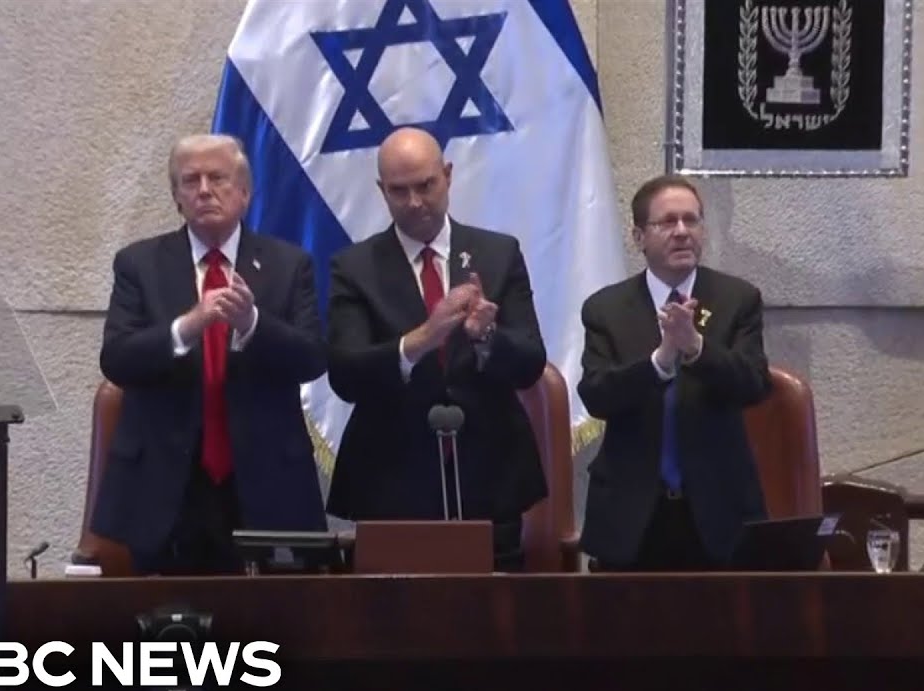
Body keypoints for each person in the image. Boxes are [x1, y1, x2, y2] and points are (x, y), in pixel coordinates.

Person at [91, 134, 328, 575]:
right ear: (176, 198)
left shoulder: (289, 264)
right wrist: (187, 326)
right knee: (169, 616)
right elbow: (117, 358)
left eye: (217, 178)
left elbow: (312, 357)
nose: (204, 191)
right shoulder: (139, 264)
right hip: (166, 488)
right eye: (190, 181)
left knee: (271, 615)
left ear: (245, 192)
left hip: (263, 483)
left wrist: (252, 323)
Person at [325, 127, 547, 572]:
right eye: (399, 191)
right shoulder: (355, 266)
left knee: (494, 607)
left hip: (490, 472)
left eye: (425, 185)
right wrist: (422, 338)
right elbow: (345, 374)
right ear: (381, 190)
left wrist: (487, 337)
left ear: (447, 175)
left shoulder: (498, 253)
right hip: (392, 476)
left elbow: (530, 362)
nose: (414, 202)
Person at [577, 174, 771, 571]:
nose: (682, 232)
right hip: (630, 516)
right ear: (639, 237)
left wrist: (696, 347)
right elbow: (597, 395)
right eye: (667, 222)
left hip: (719, 514)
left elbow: (754, 384)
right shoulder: (605, 309)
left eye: (691, 220)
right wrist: (660, 361)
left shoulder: (737, 299)